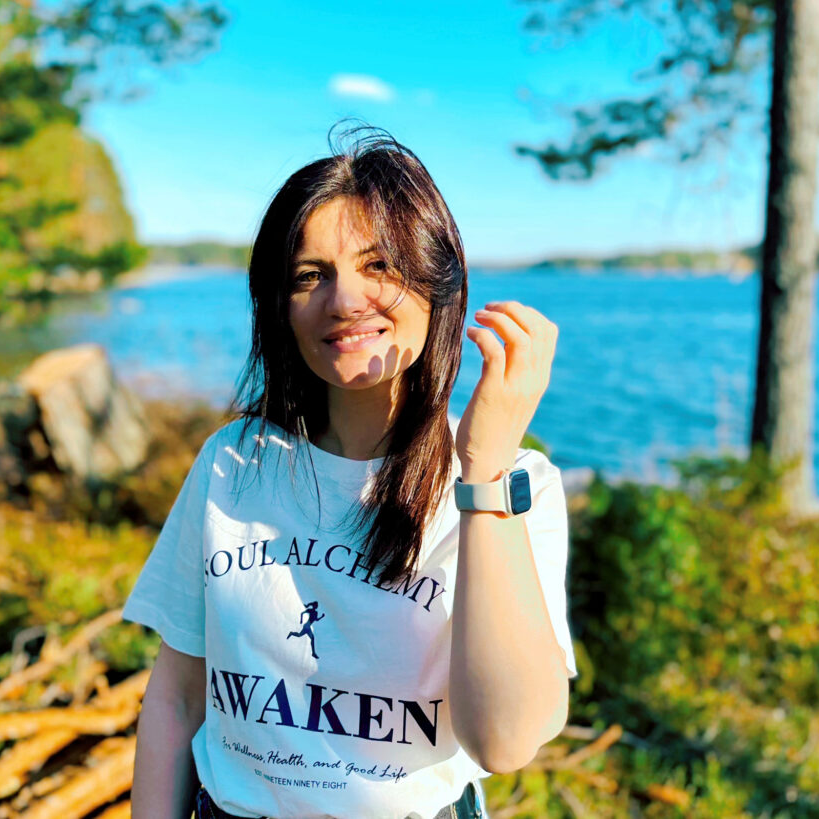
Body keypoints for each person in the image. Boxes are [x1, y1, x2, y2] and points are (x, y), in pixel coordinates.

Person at [122, 126, 578, 819]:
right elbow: (180, 693)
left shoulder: (514, 487)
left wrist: (483, 468)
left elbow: (505, 740)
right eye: (310, 275)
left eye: (379, 266)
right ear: (279, 304)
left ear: (436, 280)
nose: (343, 301)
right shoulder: (234, 464)